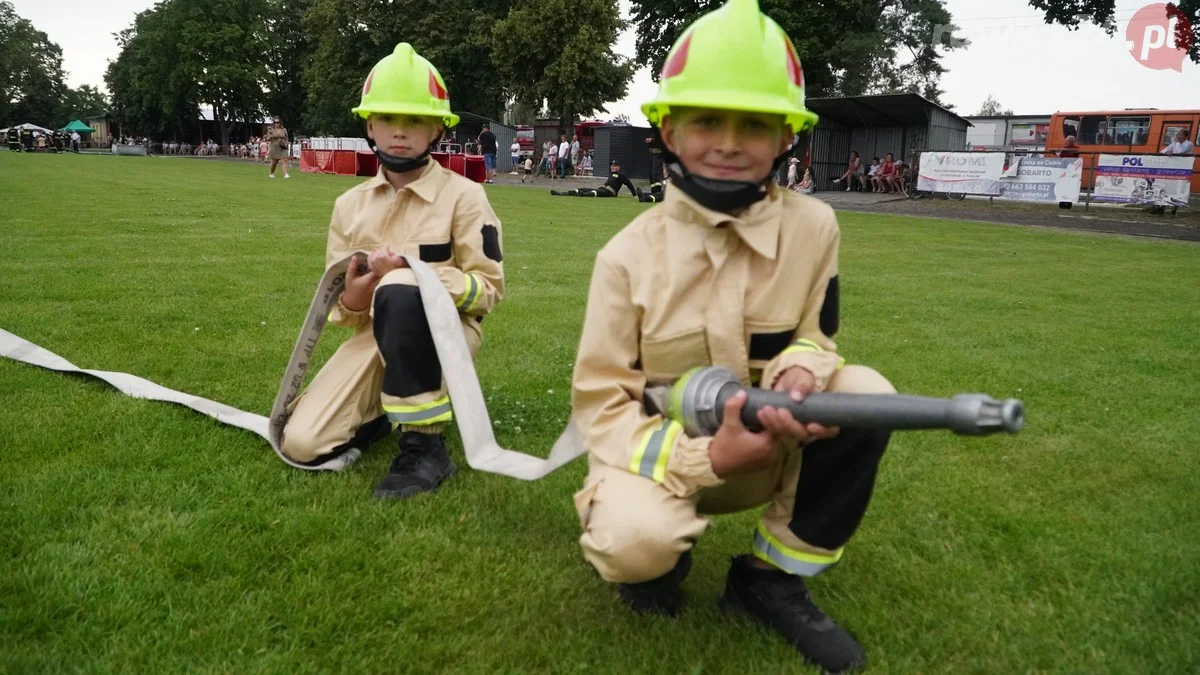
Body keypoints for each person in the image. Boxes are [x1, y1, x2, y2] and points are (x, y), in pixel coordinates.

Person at [566, 0, 895, 671]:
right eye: (707, 119)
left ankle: (769, 579)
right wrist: (706, 461)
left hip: (768, 449)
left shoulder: (816, 229)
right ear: (667, 129)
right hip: (656, 458)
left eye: (754, 123)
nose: (728, 140)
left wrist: (803, 368)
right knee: (635, 542)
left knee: (866, 393)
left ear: (786, 138)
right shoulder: (624, 258)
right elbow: (601, 406)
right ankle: (657, 560)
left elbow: (815, 335)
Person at [279, 43, 505, 499]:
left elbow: (488, 292)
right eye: (388, 119)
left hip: (451, 332)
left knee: (403, 285)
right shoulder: (349, 205)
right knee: (302, 445)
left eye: (415, 120)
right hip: (376, 335)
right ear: (369, 126)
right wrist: (358, 295)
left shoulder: (465, 197)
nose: (400, 132)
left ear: (438, 129)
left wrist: (417, 273)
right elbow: (348, 312)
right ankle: (383, 411)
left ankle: (426, 448)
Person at [549, 160, 657, 202]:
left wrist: (635, 196)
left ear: (618, 167)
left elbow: (629, 184)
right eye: (611, 166)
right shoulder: (611, 174)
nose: (612, 167)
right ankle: (563, 193)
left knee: (596, 193)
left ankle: (583, 195)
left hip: (610, 193)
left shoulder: (621, 175)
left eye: (614, 166)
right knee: (583, 188)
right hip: (603, 189)